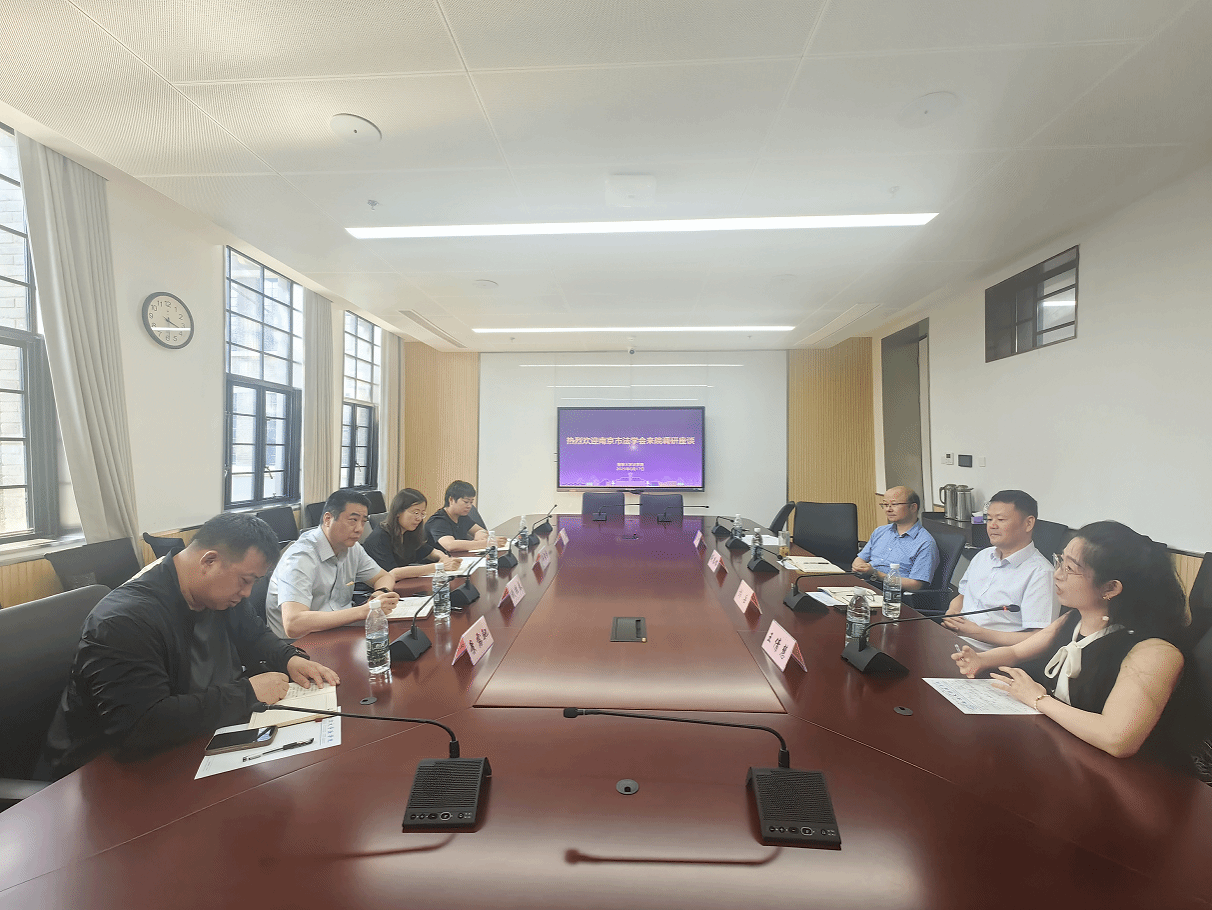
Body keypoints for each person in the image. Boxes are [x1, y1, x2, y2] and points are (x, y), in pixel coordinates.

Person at [40, 513, 340, 779]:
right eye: (245, 580)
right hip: (104, 775)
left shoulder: (216, 593)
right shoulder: (125, 621)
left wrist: (289, 658)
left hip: (191, 742)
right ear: (209, 561)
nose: (248, 593)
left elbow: (254, 635)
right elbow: (141, 726)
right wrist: (248, 694)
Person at [953, 521, 1186, 759]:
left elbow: (1117, 739)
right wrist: (981, 659)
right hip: (1062, 748)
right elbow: (1017, 652)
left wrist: (1038, 699)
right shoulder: (1074, 618)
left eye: (1070, 569)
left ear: (1110, 588)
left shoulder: (1155, 652)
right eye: (1060, 561)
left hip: (1119, 772)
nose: (1057, 574)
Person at [266, 489, 401, 641]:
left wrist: (379, 594)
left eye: (363, 522)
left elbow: (384, 577)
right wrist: (363, 611)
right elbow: (293, 624)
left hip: (338, 631)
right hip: (299, 642)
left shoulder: (352, 548)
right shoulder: (300, 557)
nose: (359, 529)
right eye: (353, 520)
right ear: (328, 519)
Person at [942, 490, 1056, 650]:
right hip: (953, 639)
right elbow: (962, 596)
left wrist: (977, 633)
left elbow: (1039, 639)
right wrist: (952, 613)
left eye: (1001, 520)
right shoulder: (983, 556)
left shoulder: (1041, 573)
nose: (992, 525)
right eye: (989, 519)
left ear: (1028, 523)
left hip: (990, 654)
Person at [851, 486, 939, 591]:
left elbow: (916, 585)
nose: (888, 509)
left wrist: (877, 574)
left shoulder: (925, 542)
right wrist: (858, 566)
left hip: (892, 592)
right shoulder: (880, 531)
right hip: (865, 583)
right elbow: (860, 558)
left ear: (913, 507)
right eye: (885, 505)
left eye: (894, 504)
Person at [364, 488, 461, 577]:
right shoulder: (379, 537)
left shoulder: (408, 533)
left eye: (422, 513)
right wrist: (438, 566)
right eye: (415, 513)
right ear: (398, 512)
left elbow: (430, 551)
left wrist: (444, 558)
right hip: (375, 588)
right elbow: (393, 573)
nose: (419, 518)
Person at [424, 480, 506, 554]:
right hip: (439, 563)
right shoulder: (438, 521)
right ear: (451, 500)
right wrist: (486, 543)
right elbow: (450, 545)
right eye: (466, 502)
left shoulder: (461, 516)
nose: (469, 506)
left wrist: (480, 533)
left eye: (471, 502)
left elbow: (480, 530)